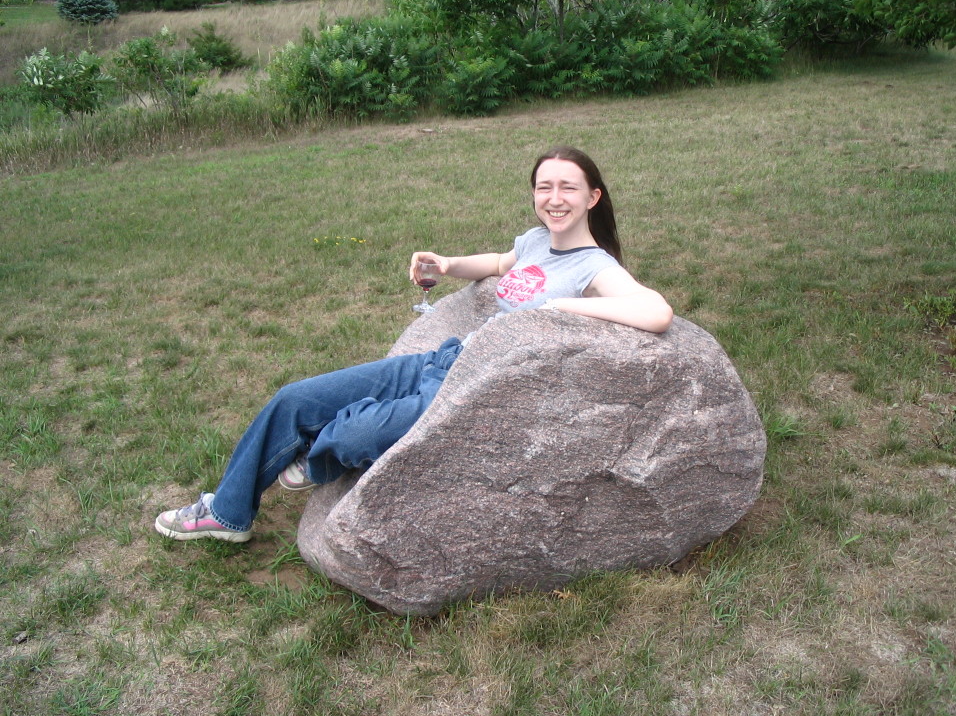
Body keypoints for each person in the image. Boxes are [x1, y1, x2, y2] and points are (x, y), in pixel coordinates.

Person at [155, 146, 674, 542]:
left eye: (567, 188)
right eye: (544, 187)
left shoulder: (595, 266)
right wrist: (447, 265)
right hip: (445, 358)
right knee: (294, 398)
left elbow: (656, 312)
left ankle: (313, 455)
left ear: (593, 197)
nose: (554, 199)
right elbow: (498, 264)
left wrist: (561, 307)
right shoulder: (537, 241)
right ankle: (227, 513)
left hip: (477, 384)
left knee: (356, 433)